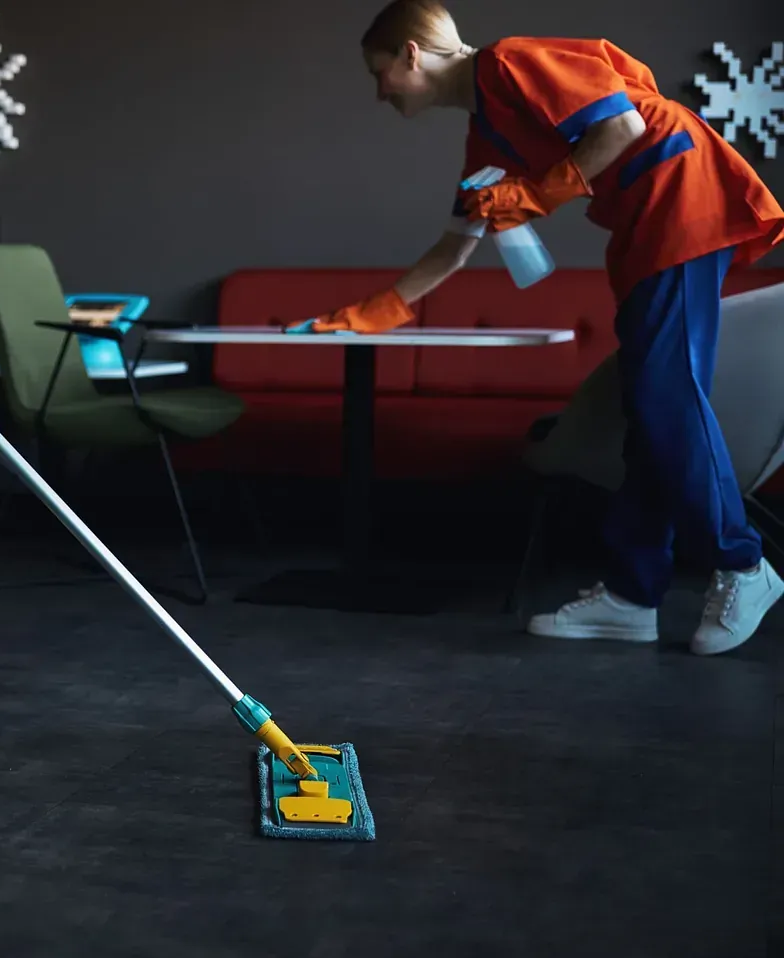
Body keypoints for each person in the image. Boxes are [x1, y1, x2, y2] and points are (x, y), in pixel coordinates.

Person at [313, 0, 784, 654]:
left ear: (412, 54)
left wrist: (534, 196)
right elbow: (456, 246)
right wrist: (373, 312)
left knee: (663, 397)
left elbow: (617, 126)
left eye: (380, 71)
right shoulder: (487, 139)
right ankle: (632, 594)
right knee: (649, 406)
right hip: (644, 224)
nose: (379, 91)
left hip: (682, 195)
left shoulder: (512, 62)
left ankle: (743, 564)